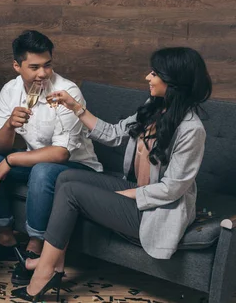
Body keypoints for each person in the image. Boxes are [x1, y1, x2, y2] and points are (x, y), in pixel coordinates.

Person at [11, 47, 212, 301]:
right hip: (137, 196)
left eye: (154, 73)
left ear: (173, 80)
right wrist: (74, 106)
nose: (147, 77)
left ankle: (43, 272)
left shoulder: (192, 129)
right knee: (65, 177)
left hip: (156, 211)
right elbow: (113, 134)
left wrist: (124, 194)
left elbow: (172, 188)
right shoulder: (154, 108)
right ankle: (56, 266)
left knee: (72, 191)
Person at [0, 30, 102, 286]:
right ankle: (4, 238)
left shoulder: (66, 91)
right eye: (34, 67)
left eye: (47, 65)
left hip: (78, 167)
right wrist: (10, 127)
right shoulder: (10, 90)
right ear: (17, 66)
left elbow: (61, 153)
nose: (43, 74)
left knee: (43, 170)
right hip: (37, 161)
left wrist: (12, 161)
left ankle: (35, 246)